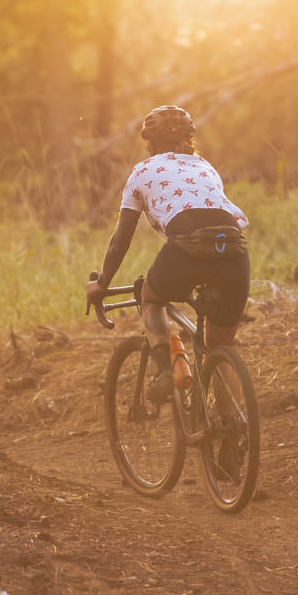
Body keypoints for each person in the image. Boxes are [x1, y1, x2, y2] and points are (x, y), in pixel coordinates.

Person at [86, 105, 250, 401]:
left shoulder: (142, 171)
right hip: (234, 252)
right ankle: (231, 427)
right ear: (189, 138)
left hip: (187, 249)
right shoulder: (204, 166)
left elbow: (121, 239)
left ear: (149, 141)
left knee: (151, 297)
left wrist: (103, 283)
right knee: (220, 348)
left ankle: (164, 369)